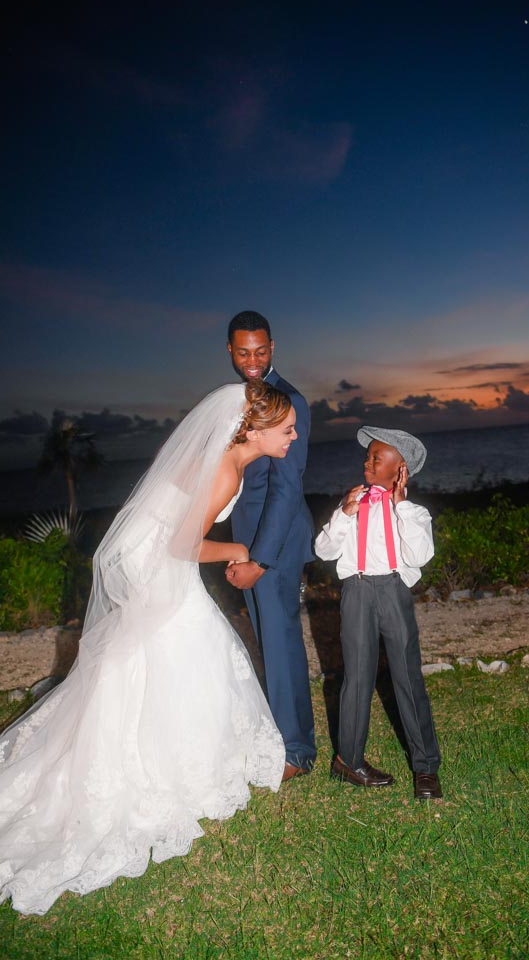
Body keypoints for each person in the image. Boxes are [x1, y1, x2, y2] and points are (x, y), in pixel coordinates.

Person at [0, 381, 293, 915]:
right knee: (185, 641)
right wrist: (238, 548)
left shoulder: (221, 456)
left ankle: (168, 746)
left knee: (157, 650)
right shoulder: (226, 470)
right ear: (257, 429)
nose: (293, 437)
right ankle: (167, 765)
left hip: (143, 554)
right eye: (287, 429)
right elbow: (182, 543)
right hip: (158, 561)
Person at [314, 427, 443, 799]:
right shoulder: (351, 505)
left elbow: (420, 556)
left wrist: (401, 507)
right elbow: (323, 551)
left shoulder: (413, 513)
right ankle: (349, 761)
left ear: (400, 469)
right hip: (356, 590)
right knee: (356, 677)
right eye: (367, 456)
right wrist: (344, 514)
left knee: (407, 675)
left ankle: (425, 768)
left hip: (392, 589)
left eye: (376, 458)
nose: (366, 462)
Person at [224, 311, 316, 779]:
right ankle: (282, 739)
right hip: (247, 539)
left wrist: (260, 558)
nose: (253, 360)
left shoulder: (289, 400)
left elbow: (286, 489)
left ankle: (295, 752)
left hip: (275, 544)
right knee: (270, 641)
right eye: (244, 352)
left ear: (273, 347)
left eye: (261, 351)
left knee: (280, 644)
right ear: (230, 351)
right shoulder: (234, 400)